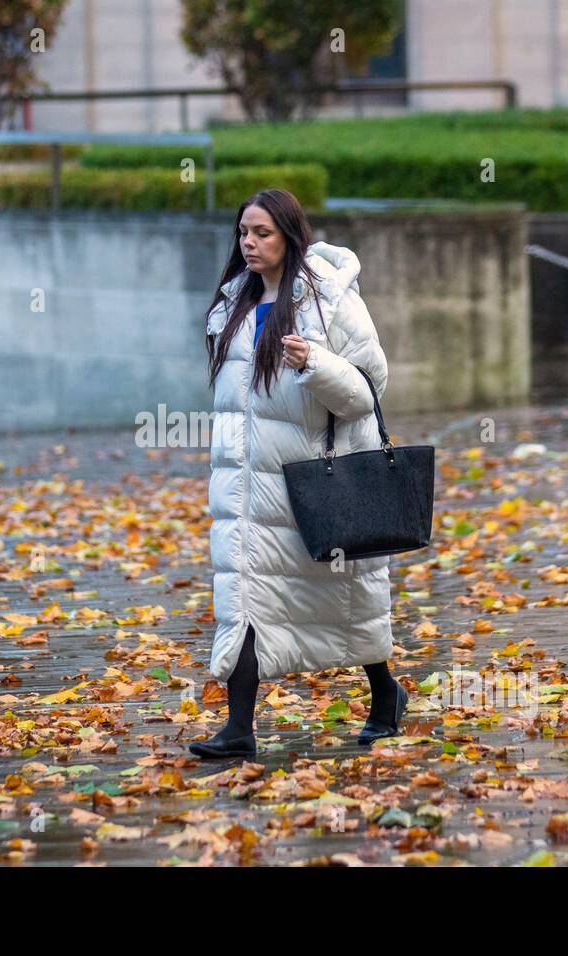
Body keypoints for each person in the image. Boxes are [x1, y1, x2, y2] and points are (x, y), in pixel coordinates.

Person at [191, 187, 405, 759]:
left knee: (343, 602)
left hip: (311, 484)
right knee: (243, 600)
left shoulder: (330, 302)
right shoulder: (231, 302)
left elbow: (367, 393)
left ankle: (385, 693)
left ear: (290, 235)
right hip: (244, 488)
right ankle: (239, 729)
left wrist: (315, 364)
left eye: (262, 233)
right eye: (243, 233)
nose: (250, 243)